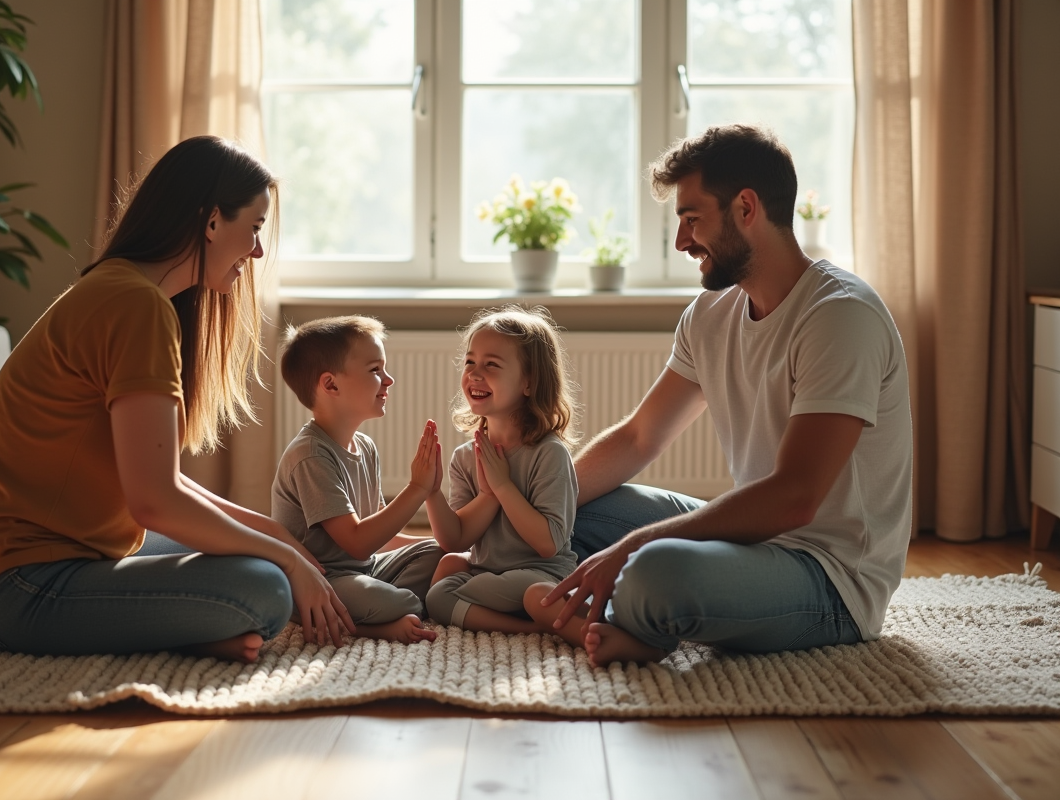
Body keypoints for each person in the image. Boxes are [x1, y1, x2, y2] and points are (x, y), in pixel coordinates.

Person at [0, 136, 354, 664]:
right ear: (212, 221)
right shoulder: (136, 306)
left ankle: (180, 625)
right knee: (267, 587)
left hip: (64, 560)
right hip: (15, 590)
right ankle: (180, 630)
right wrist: (289, 561)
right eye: (254, 228)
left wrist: (274, 535)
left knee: (259, 552)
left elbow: (162, 485)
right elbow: (155, 502)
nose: (257, 251)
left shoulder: (130, 292)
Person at [528, 124, 913, 667]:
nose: (681, 242)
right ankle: (607, 610)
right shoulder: (711, 313)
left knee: (653, 570)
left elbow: (795, 496)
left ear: (746, 207)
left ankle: (619, 609)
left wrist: (635, 545)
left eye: (692, 219)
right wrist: (528, 511)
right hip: (755, 544)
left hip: (830, 578)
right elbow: (639, 437)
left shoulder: (840, 316)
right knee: (575, 513)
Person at [271, 316, 445, 644]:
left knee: (441, 556)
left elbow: (378, 536)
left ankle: (389, 605)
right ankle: (368, 624)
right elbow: (358, 542)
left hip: (366, 569)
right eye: (376, 370)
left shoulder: (365, 446)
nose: (389, 380)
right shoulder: (310, 455)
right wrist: (417, 488)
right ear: (331, 385)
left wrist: (441, 547)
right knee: (399, 602)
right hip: (323, 580)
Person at [425, 306, 580, 634]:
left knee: (532, 592)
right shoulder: (464, 458)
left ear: (529, 383)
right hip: (488, 573)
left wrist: (503, 486)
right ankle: (530, 628)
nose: (475, 374)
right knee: (445, 576)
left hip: (541, 575)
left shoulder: (549, 453)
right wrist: (430, 491)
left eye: (491, 365)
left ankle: (552, 615)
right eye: (470, 362)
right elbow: (456, 539)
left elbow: (548, 544)